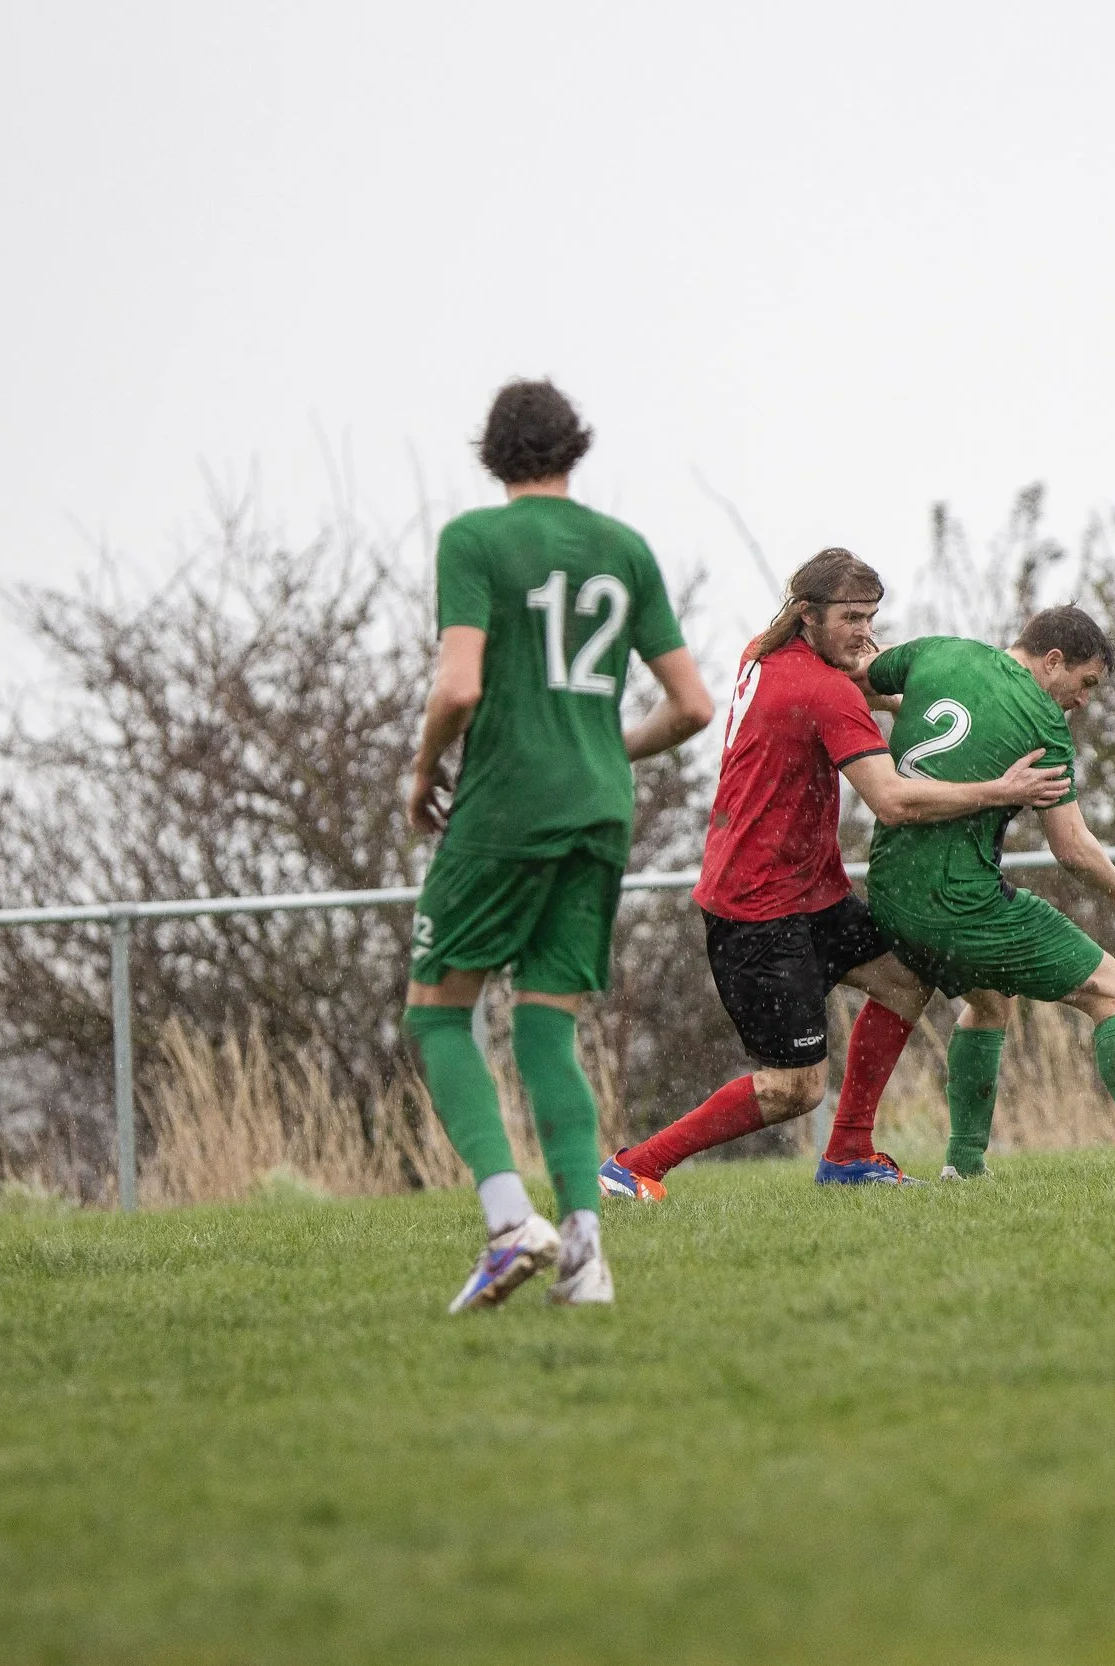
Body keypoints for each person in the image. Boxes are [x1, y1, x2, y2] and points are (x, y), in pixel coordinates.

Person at [595, 549, 1066, 1202]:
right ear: (808, 616)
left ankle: (847, 1154)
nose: (866, 634)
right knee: (795, 1088)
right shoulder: (826, 692)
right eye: (851, 618)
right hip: (757, 911)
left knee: (906, 979)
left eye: (871, 617)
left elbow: (867, 679)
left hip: (809, 894)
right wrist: (1000, 788)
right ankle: (635, 1166)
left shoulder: (763, 652)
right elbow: (894, 800)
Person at [404, 379, 713, 1312]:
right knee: (547, 1027)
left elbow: (458, 688)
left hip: (506, 806)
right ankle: (586, 1255)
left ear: (494, 456)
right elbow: (693, 705)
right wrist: (597, 748)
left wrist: (421, 773)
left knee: (436, 1014)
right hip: (598, 809)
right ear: (574, 450)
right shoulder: (625, 548)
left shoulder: (475, 540)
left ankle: (510, 1223)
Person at [859, 606, 1115, 1177]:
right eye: (1084, 683)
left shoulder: (938, 652)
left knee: (988, 1001)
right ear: (1052, 660)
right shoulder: (1044, 723)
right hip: (959, 903)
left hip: (889, 893)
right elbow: (1072, 848)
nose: (1083, 701)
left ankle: (962, 1166)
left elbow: (856, 679)